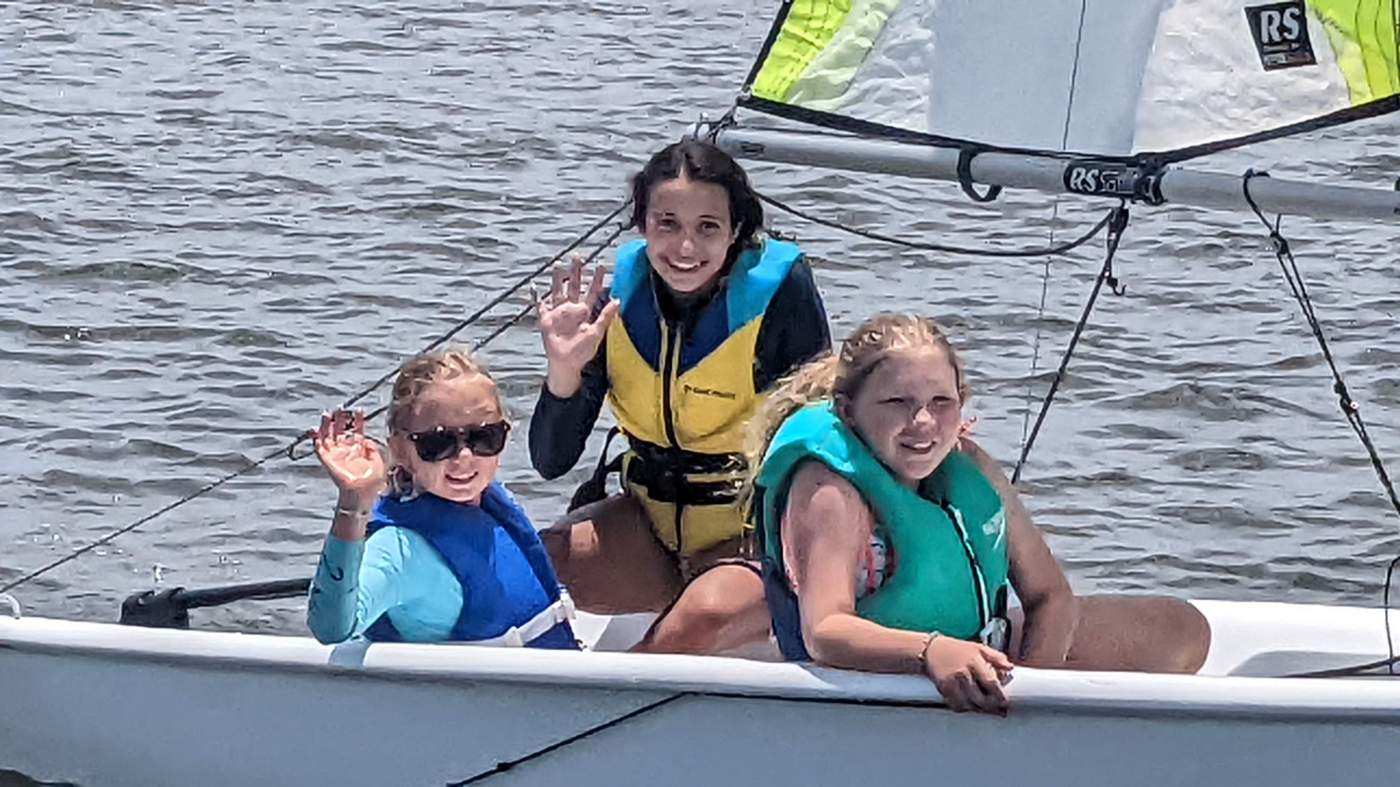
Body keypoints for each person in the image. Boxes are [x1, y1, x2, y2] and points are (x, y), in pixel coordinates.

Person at [749, 313, 1210, 713]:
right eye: (897, 403)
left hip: (977, 653)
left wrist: (1031, 689)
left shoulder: (970, 466)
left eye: (940, 403)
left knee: (1182, 629)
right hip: (880, 675)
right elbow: (825, 631)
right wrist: (930, 652)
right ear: (848, 412)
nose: (923, 423)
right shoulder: (829, 490)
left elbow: (1050, 596)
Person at [529, 139, 831, 654]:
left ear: (737, 230)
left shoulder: (782, 294)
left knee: (697, 621)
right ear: (641, 223)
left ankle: (588, 721)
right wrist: (565, 371)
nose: (685, 249)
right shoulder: (615, 302)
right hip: (648, 530)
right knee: (527, 569)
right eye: (666, 224)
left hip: (752, 541)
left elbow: (820, 442)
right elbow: (551, 462)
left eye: (707, 227)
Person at [306, 347, 577, 649]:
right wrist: (353, 502)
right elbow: (331, 629)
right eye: (437, 444)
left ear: (506, 434)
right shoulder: (400, 549)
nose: (464, 457)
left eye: (485, 438)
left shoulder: (490, 505)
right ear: (399, 450)